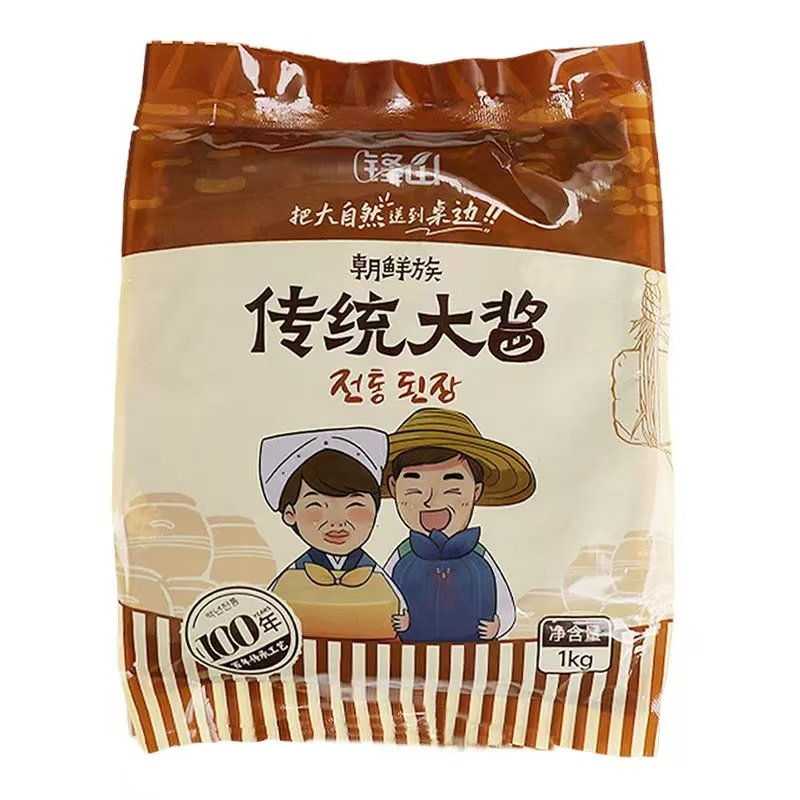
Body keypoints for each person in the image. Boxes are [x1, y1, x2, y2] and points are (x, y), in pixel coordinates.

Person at [383, 409, 535, 642]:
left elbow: (504, 601)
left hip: (474, 656)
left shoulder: (479, 555)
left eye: (451, 483)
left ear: (476, 491)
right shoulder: (403, 554)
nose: (431, 498)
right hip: (408, 653)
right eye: (414, 483)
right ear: (394, 488)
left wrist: (499, 625)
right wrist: (397, 620)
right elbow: (384, 595)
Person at [259, 427, 408, 640]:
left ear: (375, 510)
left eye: (354, 505)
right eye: (316, 505)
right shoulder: (293, 575)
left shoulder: (374, 572)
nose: (337, 522)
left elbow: (397, 603)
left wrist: (403, 619)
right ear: (291, 514)